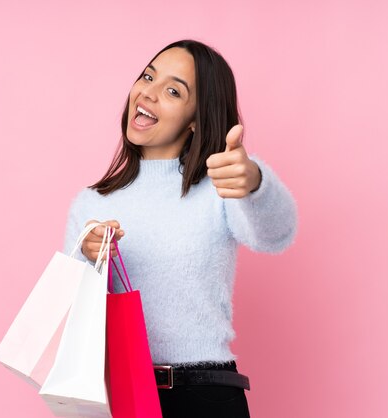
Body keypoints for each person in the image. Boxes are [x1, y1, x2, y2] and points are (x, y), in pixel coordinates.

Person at [63, 39, 297, 418]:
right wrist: (90, 262)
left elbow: (277, 235)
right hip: (121, 398)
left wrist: (255, 182)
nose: (149, 93)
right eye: (147, 77)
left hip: (207, 396)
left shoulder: (220, 186)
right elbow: (72, 323)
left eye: (173, 91)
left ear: (194, 118)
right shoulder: (92, 203)